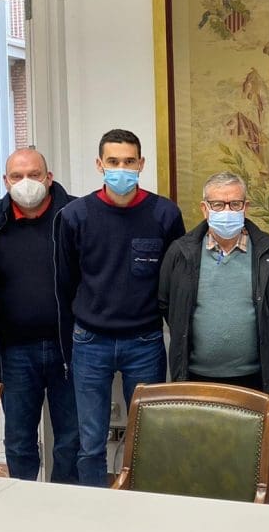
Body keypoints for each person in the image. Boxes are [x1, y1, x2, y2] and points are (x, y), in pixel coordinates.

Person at [55, 129, 185, 487]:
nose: (122, 169)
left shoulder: (164, 214)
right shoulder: (75, 216)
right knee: (90, 444)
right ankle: (95, 510)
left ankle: (143, 507)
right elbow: (66, 282)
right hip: (89, 342)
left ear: (141, 164)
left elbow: (176, 281)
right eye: (113, 162)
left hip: (144, 342)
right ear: (99, 165)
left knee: (149, 440)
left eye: (129, 162)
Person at [0, 148, 79, 483]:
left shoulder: (75, 215)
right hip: (13, 352)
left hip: (70, 349)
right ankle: (22, 502)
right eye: (17, 176)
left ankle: (65, 501)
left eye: (34, 175)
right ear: (5, 181)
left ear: (49, 178)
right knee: (20, 441)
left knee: (71, 439)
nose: (26, 182)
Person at [159, 172, 269, 415]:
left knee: (256, 442)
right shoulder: (180, 253)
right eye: (218, 204)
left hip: (256, 379)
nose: (227, 211)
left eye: (235, 204)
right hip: (196, 378)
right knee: (198, 440)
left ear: (246, 207)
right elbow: (169, 306)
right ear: (204, 209)